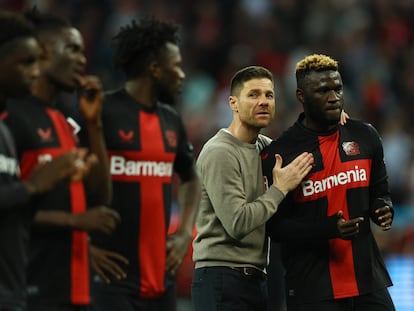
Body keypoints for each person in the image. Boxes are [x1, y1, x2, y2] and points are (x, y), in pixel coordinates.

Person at [3, 7, 120, 311]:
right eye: (72, 48)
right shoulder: (11, 118)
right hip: (30, 286)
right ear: (42, 51)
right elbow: (10, 205)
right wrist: (75, 222)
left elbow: (100, 197)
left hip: (74, 288)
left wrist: (93, 125)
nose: (83, 59)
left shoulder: (64, 121)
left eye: (83, 51)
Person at [262, 53, 395, 311]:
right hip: (313, 289)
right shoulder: (282, 153)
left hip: (368, 281)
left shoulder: (365, 135)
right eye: (323, 90)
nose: (334, 97)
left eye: (337, 88)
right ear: (301, 96)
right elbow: (275, 228)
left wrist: (383, 209)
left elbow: (381, 192)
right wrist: (328, 229)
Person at [87, 16, 201, 311]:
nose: (182, 74)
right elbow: (69, 181)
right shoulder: (102, 112)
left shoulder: (172, 120)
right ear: (154, 69)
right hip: (110, 277)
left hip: (161, 278)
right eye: (175, 66)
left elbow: (190, 177)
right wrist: (83, 245)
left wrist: (185, 232)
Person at [191, 65, 314, 311]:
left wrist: (336, 125)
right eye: (254, 94)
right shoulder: (220, 152)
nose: (264, 102)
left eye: (269, 95)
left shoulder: (265, 148)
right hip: (222, 277)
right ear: (233, 103)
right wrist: (278, 189)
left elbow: (307, 151)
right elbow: (237, 223)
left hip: (254, 279)